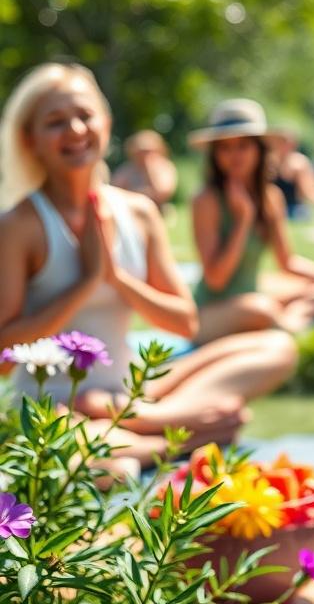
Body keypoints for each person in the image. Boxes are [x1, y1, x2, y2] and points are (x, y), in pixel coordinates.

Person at [0, 64, 298, 467]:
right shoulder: (19, 225)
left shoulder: (138, 213)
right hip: (51, 407)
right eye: (55, 122)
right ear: (29, 139)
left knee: (276, 347)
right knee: (105, 465)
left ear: (106, 124)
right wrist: (87, 283)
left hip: (128, 394)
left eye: (85, 115)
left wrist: (117, 278)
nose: (75, 130)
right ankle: (174, 439)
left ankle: (147, 423)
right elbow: (5, 354)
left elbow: (185, 322)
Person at [190, 99, 314, 342]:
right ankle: (287, 326)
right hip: (212, 313)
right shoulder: (206, 200)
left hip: (255, 300)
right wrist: (243, 219)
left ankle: (289, 322)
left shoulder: (271, 198)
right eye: (225, 148)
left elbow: (288, 262)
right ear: (215, 154)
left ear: (260, 150)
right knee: (260, 308)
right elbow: (216, 279)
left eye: (243, 146)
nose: (234, 156)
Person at [268, 133, 314, 219]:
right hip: (273, 207)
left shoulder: (299, 164)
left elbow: (308, 193)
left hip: (293, 208)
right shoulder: (270, 162)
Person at [111, 129, 178, 210]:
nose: (142, 155)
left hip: (157, 209)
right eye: (139, 151)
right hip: (129, 209)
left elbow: (162, 193)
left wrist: (149, 169)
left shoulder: (164, 167)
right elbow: (114, 190)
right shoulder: (128, 168)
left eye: (147, 151)